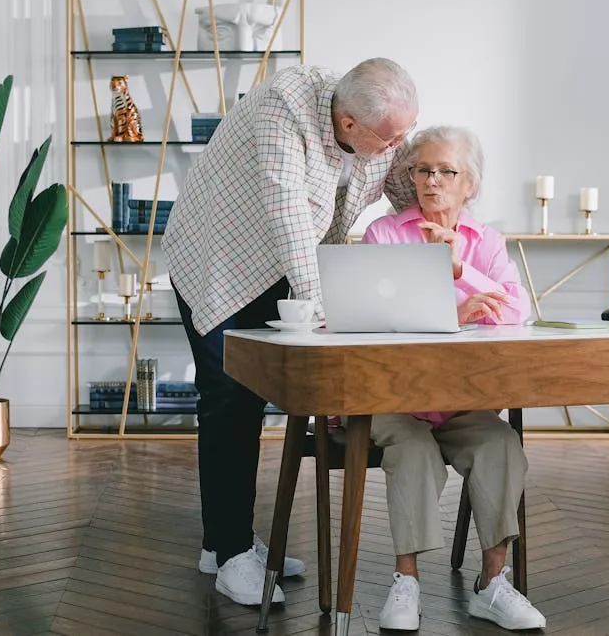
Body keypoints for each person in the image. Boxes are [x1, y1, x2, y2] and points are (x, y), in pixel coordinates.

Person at [162, 58, 420, 606]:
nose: (399, 145)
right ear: (348, 124)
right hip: (219, 260)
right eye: (391, 137)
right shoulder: (285, 107)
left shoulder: (377, 128)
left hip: (279, 266)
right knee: (229, 396)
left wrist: (444, 228)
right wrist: (327, 311)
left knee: (256, 398)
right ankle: (232, 553)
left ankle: (222, 541)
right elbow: (289, 218)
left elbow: (404, 187)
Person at [359, 125, 546, 631]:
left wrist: (460, 269)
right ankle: (407, 582)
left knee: (500, 446)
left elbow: (518, 313)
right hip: (396, 399)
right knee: (414, 450)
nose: (432, 181)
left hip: (463, 400)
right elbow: (374, 315)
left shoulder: (486, 242)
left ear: (471, 184)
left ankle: (493, 583)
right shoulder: (385, 233)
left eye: (447, 171)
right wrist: (460, 314)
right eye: (423, 170)